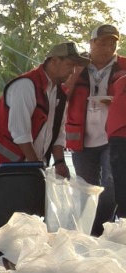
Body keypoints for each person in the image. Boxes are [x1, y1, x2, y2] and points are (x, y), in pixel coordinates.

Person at [0, 42, 87, 178]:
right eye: (70, 65)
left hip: (27, 163)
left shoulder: (59, 94)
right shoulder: (26, 85)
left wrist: (59, 162)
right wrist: (35, 168)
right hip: (3, 162)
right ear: (54, 61)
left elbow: (58, 132)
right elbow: (20, 132)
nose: (73, 71)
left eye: (75, 67)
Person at [65, 24, 125, 233]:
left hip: (114, 138)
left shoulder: (124, 66)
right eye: (103, 43)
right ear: (91, 43)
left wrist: (116, 103)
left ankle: (98, 231)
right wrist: (74, 74)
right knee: (86, 191)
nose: (108, 48)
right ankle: (87, 234)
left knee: (111, 186)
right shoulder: (76, 66)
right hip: (80, 140)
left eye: (112, 44)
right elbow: (61, 94)